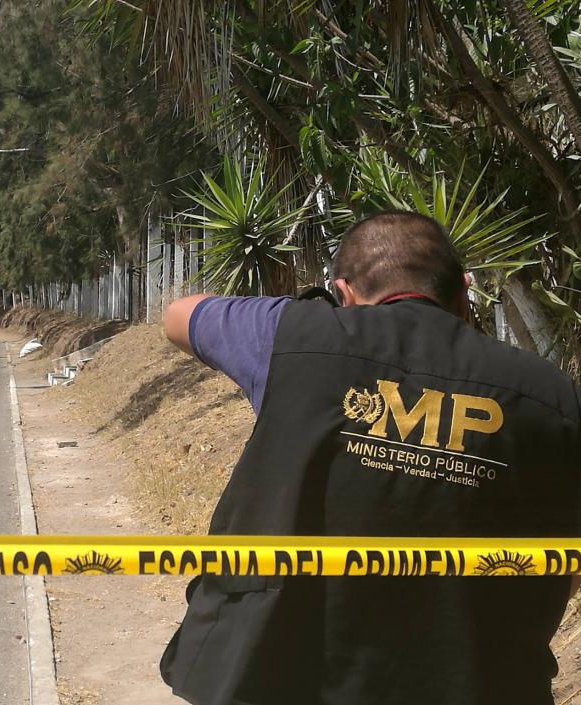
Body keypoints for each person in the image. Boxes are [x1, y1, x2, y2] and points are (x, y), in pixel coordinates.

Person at [159, 210, 581, 705]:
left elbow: (178, 316)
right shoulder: (554, 397)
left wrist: (319, 316)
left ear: (345, 293)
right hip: (477, 683)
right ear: (464, 292)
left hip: (275, 674)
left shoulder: (294, 336)